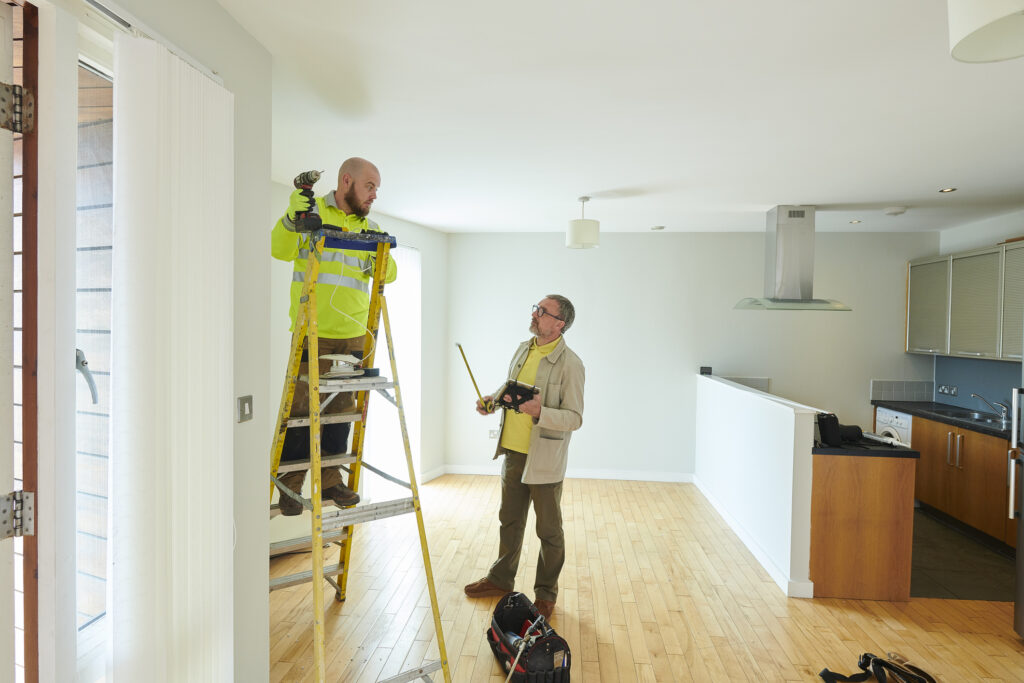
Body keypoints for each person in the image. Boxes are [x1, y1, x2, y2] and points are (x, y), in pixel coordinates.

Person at [271, 157, 397, 515]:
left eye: (376, 188)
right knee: (300, 413)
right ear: (347, 181)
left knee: (340, 414)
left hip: (355, 337)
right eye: (370, 186)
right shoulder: (312, 218)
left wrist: (377, 255)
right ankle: (290, 488)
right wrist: (290, 219)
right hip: (312, 333)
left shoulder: (368, 227)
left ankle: (331, 484)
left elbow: (391, 273)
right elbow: (278, 249)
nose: (374, 195)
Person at [463, 295, 585, 620]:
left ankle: (546, 594)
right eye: (536, 308)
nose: (535, 314)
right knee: (510, 521)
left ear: (559, 324)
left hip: (544, 459)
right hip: (513, 453)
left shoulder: (571, 364)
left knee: (549, 531)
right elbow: (511, 389)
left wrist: (541, 412)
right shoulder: (524, 348)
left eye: (543, 312)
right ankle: (501, 579)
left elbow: (574, 417)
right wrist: (493, 401)